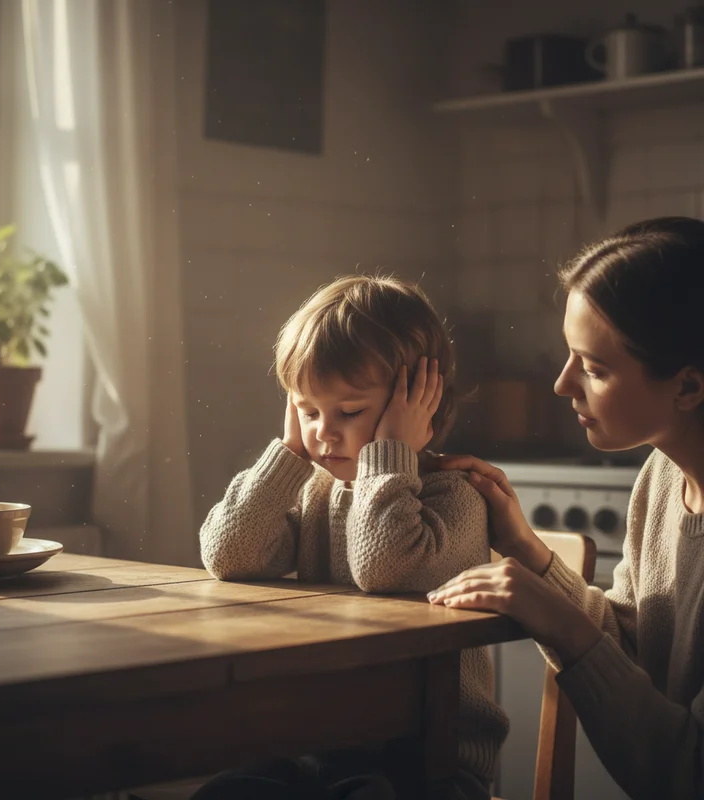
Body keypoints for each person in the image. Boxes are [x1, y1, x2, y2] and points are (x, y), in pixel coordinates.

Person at [197, 274, 508, 799]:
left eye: (350, 412)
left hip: (430, 762)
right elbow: (230, 554)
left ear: (417, 406)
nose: (323, 431)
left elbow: (385, 567)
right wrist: (291, 454)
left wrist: (389, 454)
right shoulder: (317, 490)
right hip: (324, 748)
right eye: (308, 410)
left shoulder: (455, 497)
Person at [428, 216, 704, 800]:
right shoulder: (661, 476)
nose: (562, 384)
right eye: (570, 356)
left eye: (595, 368)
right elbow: (629, 652)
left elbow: (688, 770)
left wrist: (550, 614)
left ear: (688, 386)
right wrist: (526, 551)